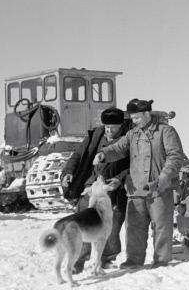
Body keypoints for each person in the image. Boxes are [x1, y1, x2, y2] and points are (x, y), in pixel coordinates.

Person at [93, 99, 186, 270]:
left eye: (136, 118)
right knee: (134, 227)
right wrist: (103, 154)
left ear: (146, 114)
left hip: (158, 187)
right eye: (132, 118)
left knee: (161, 226)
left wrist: (163, 179)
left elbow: (175, 157)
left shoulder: (166, 131)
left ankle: (161, 261)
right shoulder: (132, 134)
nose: (133, 122)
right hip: (135, 188)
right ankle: (134, 260)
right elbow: (118, 148)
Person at [61, 107, 130, 274]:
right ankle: (77, 262)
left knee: (111, 228)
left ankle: (106, 259)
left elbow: (133, 165)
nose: (109, 130)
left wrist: (120, 179)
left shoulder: (129, 138)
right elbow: (77, 155)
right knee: (82, 225)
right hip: (90, 188)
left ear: (121, 125)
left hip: (113, 190)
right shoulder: (95, 136)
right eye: (107, 127)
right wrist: (68, 172)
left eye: (113, 127)